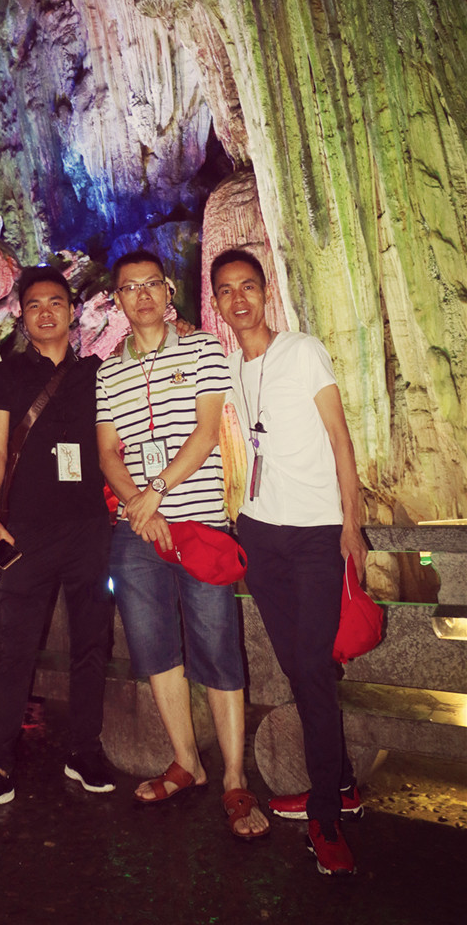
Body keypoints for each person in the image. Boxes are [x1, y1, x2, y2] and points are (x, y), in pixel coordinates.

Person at [96, 248, 268, 839]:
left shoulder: (202, 350)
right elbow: (108, 452)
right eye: (129, 287)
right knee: (154, 649)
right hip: (138, 531)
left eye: (152, 284)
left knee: (218, 647)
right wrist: (138, 507)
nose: (141, 295)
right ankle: (187, 763)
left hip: (198, 524)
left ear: (168, 292)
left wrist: (156, 493)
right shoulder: (106, 372)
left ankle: (234, 777)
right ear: (117, 300)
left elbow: (206, 430)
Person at [210, 247, 367, 876]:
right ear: (218, 303)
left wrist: (351, 524)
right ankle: (343, 783)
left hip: (315, 534)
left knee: (312, 669)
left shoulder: (303, 351)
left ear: (265, 292)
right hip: (260, 534)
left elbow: (339, 436)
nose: (239, 299)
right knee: (300, 669)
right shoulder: (230, 366)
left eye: (248, 286)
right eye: (227, 290)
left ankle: (326, 816)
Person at [0, 267, 115, 818]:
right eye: (34, 305)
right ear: (22, 317)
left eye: (55, 302)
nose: (46, 312)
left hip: (88, 529)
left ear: (72, 311)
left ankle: (85, 751)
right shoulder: (6, 375)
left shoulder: (98, 373)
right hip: (26, 532)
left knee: (91, 645)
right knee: (14, 651)